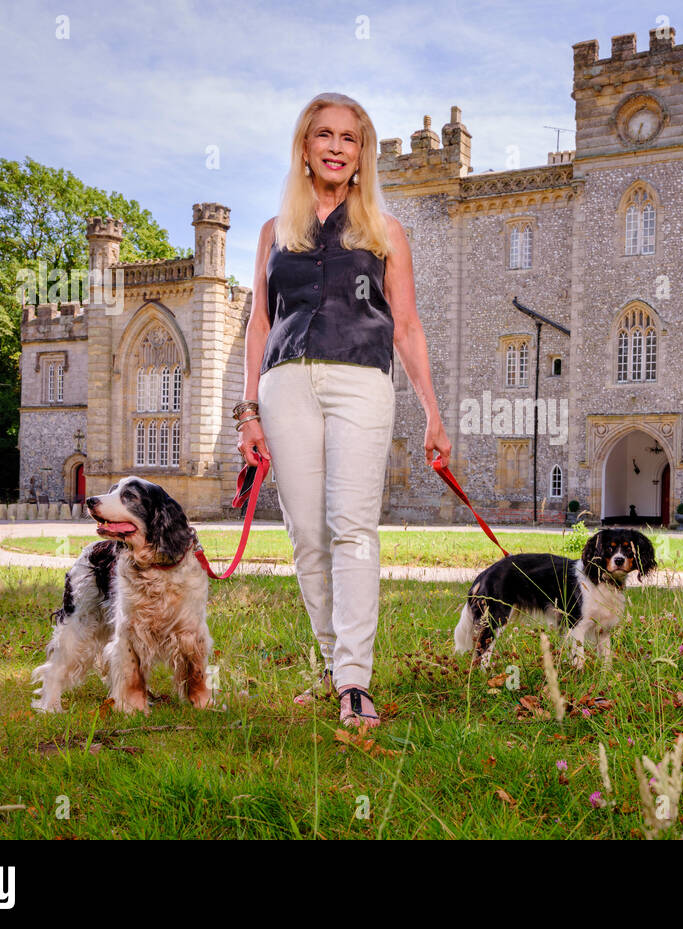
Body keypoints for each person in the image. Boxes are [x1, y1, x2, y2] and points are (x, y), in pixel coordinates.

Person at [235, 92, 451, 728]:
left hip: (360, 382)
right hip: (285, 388)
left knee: (352, 527)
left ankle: (355, 678)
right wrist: (248, 411)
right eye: (323, 135)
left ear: (361, 155)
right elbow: (259, 324)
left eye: (349, 138)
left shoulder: (385, 233)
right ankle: (335, 669)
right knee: (306, 537)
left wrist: (433, 413)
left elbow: (407, 327)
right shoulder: (275, 233)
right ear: (304, 146)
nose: (335, 146)